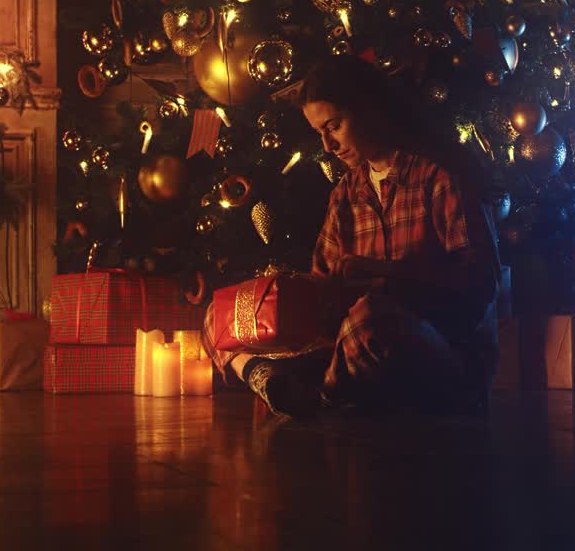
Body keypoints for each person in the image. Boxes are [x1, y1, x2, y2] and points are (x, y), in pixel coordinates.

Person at [204, 54, 502, 418]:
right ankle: (273, 378)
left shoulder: (438, 178)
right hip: (353, 348)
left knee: (368, 321)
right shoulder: (347, 192)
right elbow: (322, 286)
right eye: (319, 134)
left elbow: (479, 282)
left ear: (369, 109)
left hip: (439, 352)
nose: (327, 146)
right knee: (224, 317)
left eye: (334, 126)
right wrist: (279, 302)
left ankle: (319, 400)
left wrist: (386, 273)